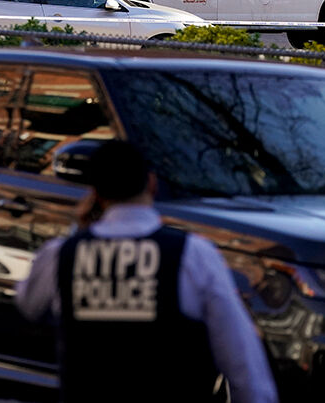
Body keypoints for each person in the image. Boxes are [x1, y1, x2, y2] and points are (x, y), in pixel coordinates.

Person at [15, 140, 278, 403]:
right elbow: (242, 360)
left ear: (95, 192)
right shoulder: (193, 255)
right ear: (151, 184)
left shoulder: (61, 255)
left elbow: (29, 304)